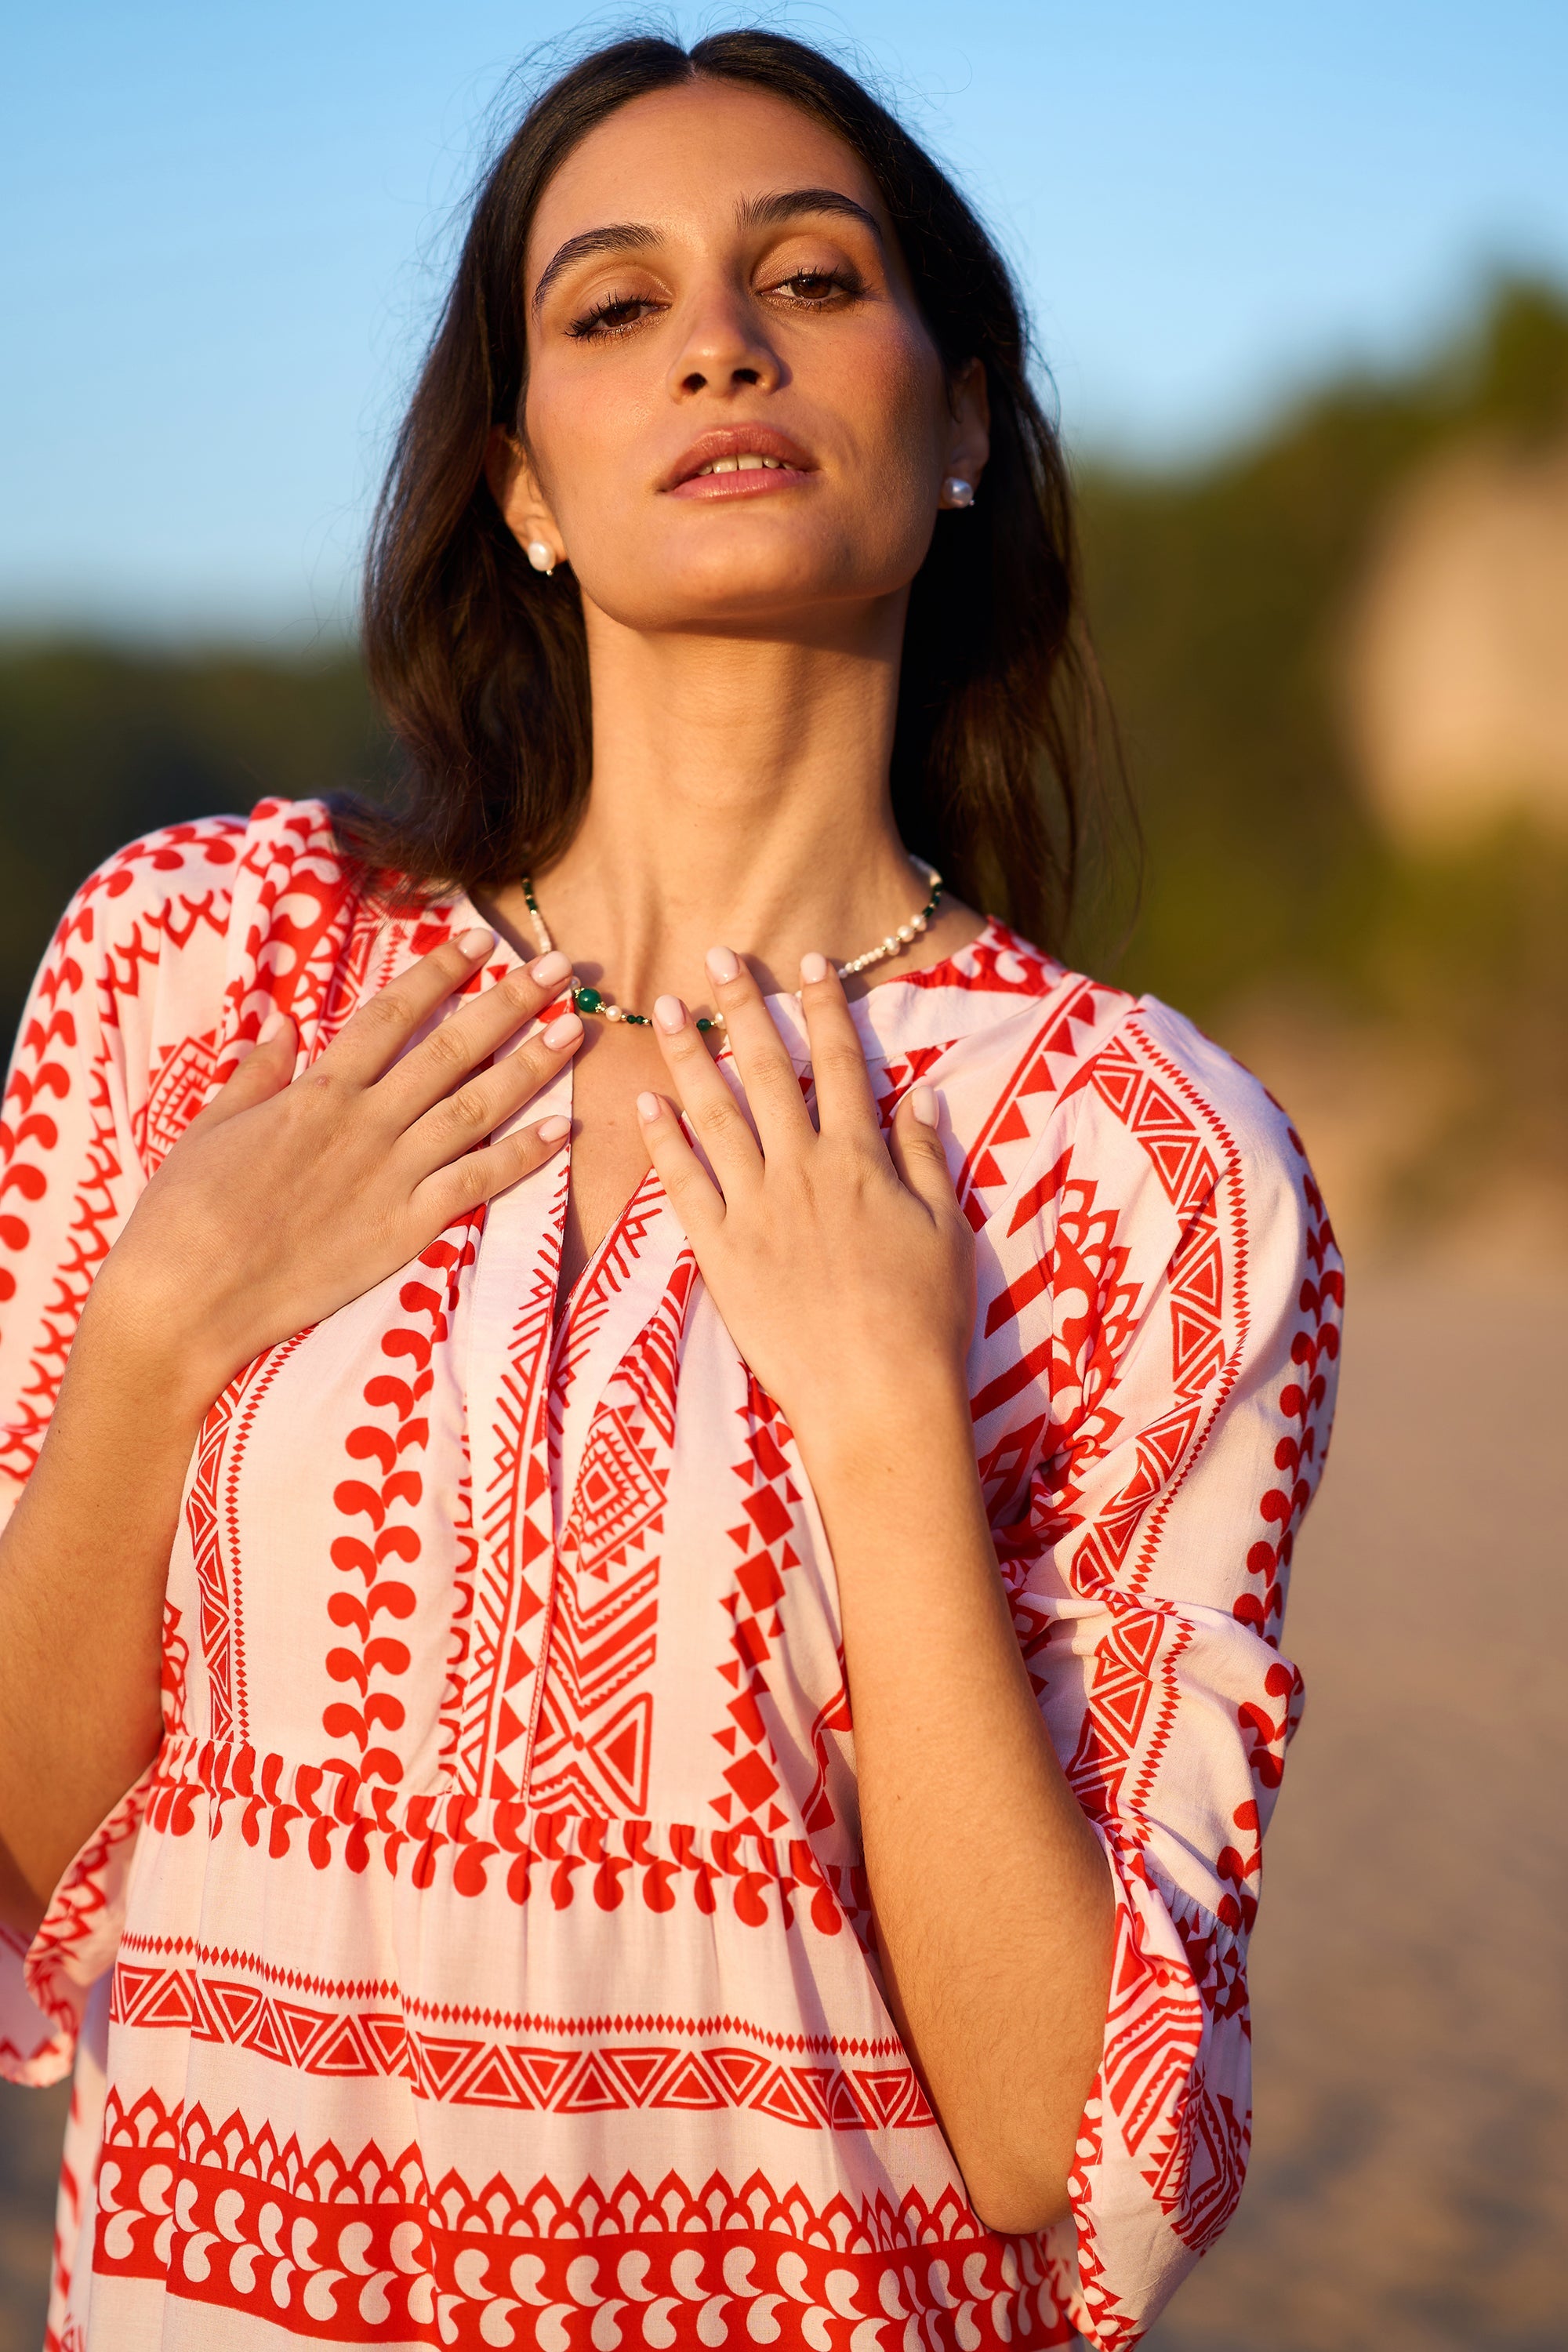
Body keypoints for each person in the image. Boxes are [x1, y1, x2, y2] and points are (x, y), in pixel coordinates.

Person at [0, 30, 1342, 2351]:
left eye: (811, 278)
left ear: (963, 425)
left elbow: (1050, 2135)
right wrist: (158, 1327)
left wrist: (889, 1431)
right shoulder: (205, 963)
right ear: (523, 482)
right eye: (614, 305)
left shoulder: (1138, 1155)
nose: (719, 336)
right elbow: (28, 1840)